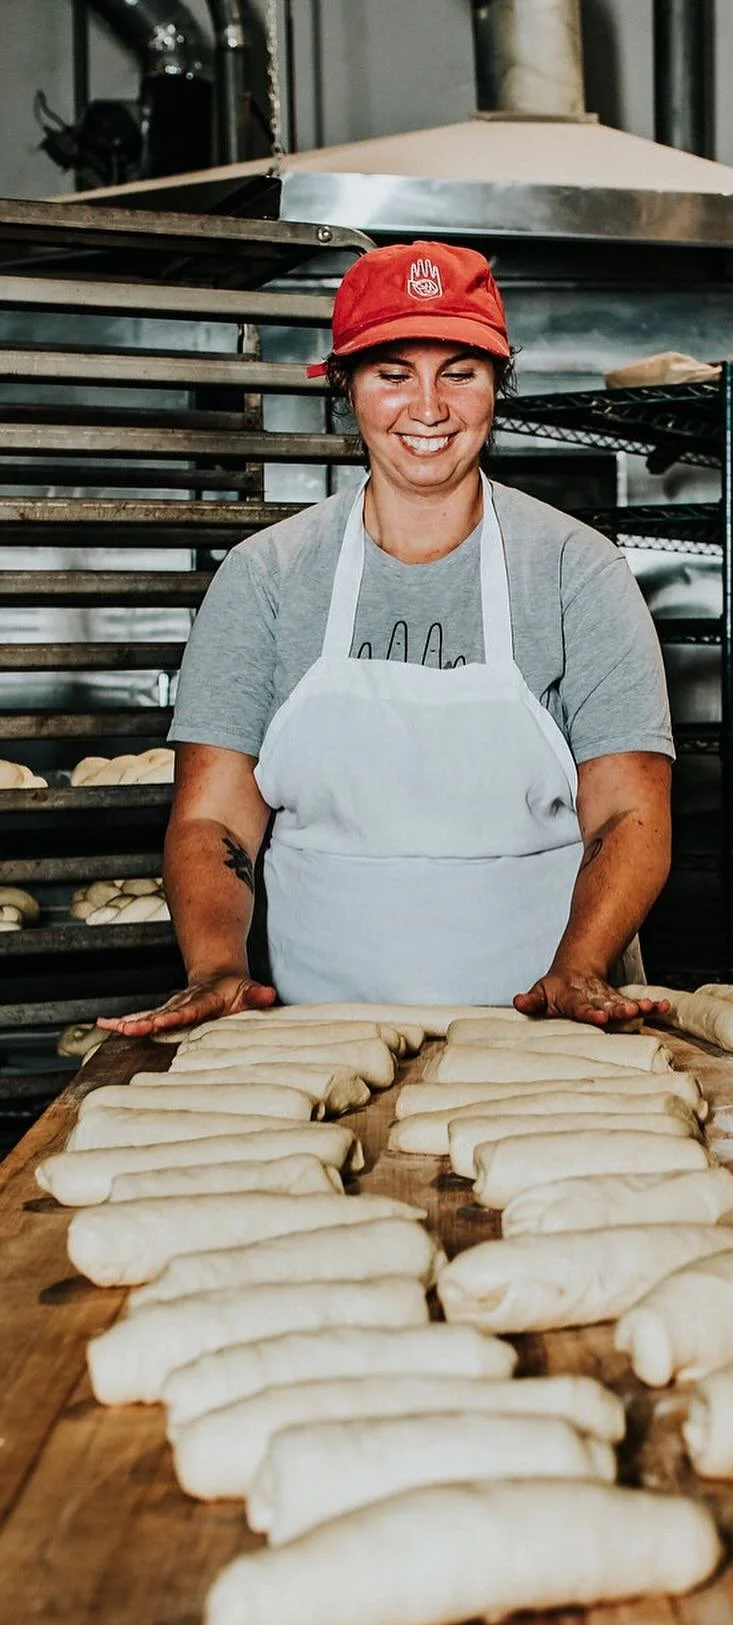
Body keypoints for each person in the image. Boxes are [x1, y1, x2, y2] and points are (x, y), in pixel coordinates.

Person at [101, 241, 674, 1036]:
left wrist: (580, 967)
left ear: (497, 387)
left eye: (460, 372)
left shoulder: (577, 569)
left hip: (546, 1021)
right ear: (346, 389)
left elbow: (627, 811)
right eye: (392, 373)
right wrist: (218, 968)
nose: (429, 406)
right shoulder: (267, 574)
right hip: (314, 1021)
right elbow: (215, 820)